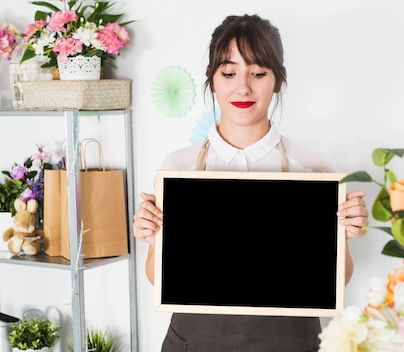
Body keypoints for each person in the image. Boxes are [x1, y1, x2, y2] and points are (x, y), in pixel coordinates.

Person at [133, 14, 369, 352]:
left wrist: (346, 231)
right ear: (212, 80)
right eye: (228, 73)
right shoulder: (177, 167)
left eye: (258, 73)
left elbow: (338, 280)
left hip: (290, 341)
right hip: (195, 340)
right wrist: (151, 232)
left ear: (277, 80)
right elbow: (158, 278)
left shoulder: (316, 167)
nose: (243, 87)